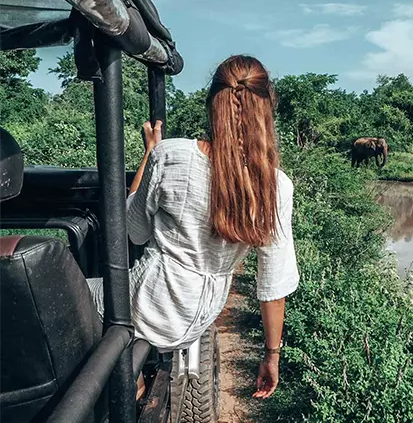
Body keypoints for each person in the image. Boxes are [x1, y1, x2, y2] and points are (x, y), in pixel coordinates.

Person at [88, 55, 299, 399]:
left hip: (148, 303)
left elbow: (133, 229)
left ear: (211, 102)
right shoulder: (275, 186)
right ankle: (132, 375)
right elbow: (273, 286)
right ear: (266, 109)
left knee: (73, 288)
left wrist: (149, 156)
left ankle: (125, 379)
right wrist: (271, 356)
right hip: (197, 317)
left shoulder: (171, 155)